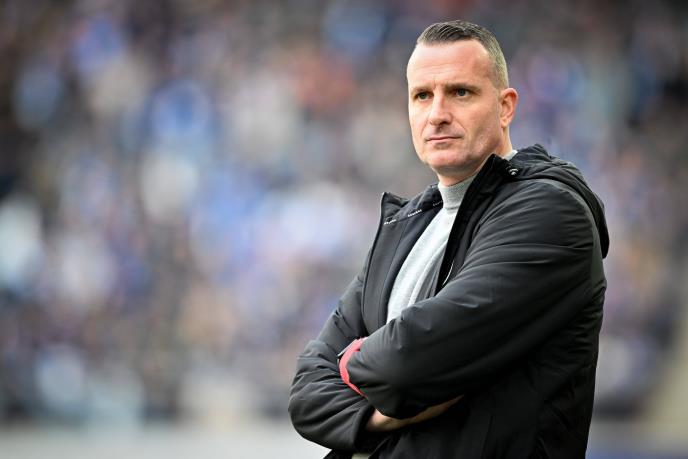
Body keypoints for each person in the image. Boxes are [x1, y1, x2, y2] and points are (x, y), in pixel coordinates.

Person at [288, 19, 609, 459]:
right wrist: (374, 418)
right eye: (422, 95)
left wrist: (349, 363)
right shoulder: (407, 223)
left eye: (460, 92)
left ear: (505, 107)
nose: (437, 113)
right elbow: (305, 394)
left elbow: (406, 363)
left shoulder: (550, 212)